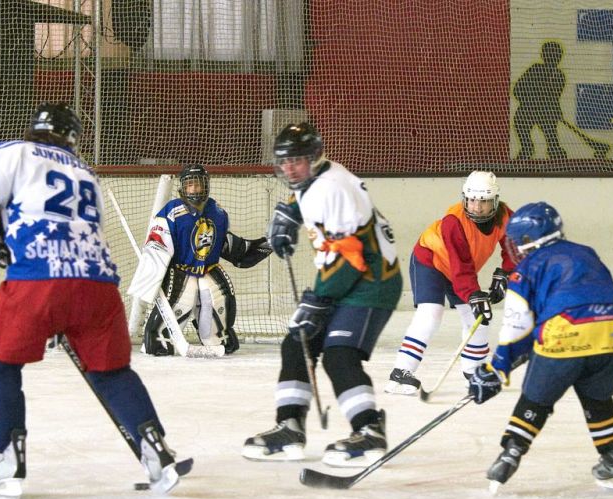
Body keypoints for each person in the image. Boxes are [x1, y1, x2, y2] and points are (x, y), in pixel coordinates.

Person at [0, 102, 183, 496]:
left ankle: (9, 460)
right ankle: (156, 450)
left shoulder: (13, 152)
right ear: (73, 137)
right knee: (111, 372)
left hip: (38, 280)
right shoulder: (85, 171)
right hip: (97, 286)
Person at [242, 122, 402, 467]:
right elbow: (303, 198)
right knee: (297, 342)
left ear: (314, 158)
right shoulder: (313, 179)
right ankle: (289, 425)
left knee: (339, 353)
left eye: (296, 161)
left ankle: (369, 430)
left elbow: (350, 256)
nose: (289, 169)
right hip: (348, 275)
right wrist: (289, 214)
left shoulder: (333, 188)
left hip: (371, 281)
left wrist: (318, 300)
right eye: (284, 162)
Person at [467, 202, 613, 493]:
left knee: (536, 400)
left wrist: (497, 368)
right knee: (597, 398)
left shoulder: (527, 268)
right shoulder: (587, 252)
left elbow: (517, 325)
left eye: (517, 241)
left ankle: (509, 456)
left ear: (528, 239)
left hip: (565, 333)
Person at [385, 171, 515, 396]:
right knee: (431, 312)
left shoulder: (506, 217)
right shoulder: (453, 222)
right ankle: (401, 371)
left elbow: (513, 249)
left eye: (483, 201)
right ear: (465, 198)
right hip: (431, 260)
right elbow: (461, 266)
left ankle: (473, 372)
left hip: (459, 270)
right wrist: (473, 295)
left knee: (479, 317)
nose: (477, 207)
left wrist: (505, 273)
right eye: (472, 200)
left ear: (495, 201)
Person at [127, 164, 272, 358]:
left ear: (206, 185)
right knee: (177, 310)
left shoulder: (217, 212)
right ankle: (160, 341)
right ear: (182, 188)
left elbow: (225, 244)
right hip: (180, 270)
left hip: (208, 269)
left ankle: (217, 338)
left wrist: (266, 244)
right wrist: (152, 276)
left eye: (198, 184)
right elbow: (157, 245)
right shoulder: (171, 212)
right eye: (190, 185)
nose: (194, 189)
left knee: (218, 302)